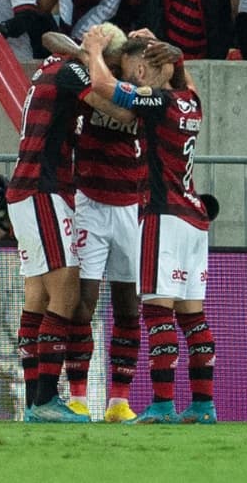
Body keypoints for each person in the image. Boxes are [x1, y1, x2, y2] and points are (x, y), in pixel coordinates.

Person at [82, 27, 218, 424]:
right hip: (195, 217)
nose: (128, 74)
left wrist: (91, 49)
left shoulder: (158, 102)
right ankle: (204, 406)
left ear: (143, 68)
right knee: (193, 318)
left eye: (132, 68)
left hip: (165, 213)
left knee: (158, 312)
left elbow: (103, 85)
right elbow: (181, 74)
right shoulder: (191, 101)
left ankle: (161, 405)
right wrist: (169, 50)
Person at [4, 25, 135, 423]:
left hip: (27, 189)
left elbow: (48, 36)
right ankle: (46, 402)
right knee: (66, 292)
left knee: (38, 298)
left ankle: (32, 403)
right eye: (113, 67)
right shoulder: (75, 72)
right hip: (43, 189)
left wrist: (89, 52)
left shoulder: (56, 66)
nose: (112, 75)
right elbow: (118, 110)